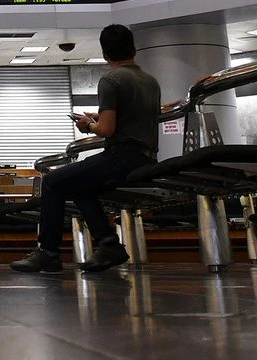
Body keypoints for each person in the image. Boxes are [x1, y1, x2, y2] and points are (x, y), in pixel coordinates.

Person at [10, 23, 160, 274]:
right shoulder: (150, 80)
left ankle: (48, 252)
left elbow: (107, 130)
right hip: (146, 158)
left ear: (104, 53)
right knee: (79, 184)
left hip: (121, 156)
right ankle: (108, 243)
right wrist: (98, 117)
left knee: (53, 181)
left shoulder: (111, 80)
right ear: (134, 49)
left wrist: (88, 125)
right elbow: (133, 118)